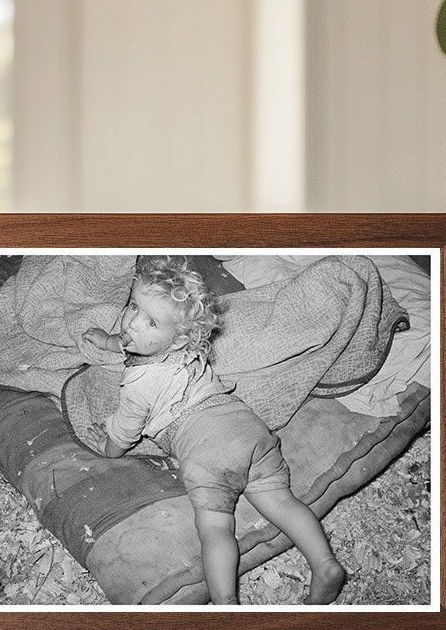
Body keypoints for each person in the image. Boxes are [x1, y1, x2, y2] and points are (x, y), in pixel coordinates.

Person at [84, 257, 346, 606]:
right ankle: (324, 563)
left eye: (150, 321)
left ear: (175, 340)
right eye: (133, 306)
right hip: (247, 430)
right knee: (283, 503)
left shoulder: (138, 383)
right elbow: (138, 342)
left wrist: (106, 445)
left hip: (207, 450)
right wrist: (107, 341)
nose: (132, 322)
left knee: (215, 529)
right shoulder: (182, 345)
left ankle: (225, 603)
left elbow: (124, 434)